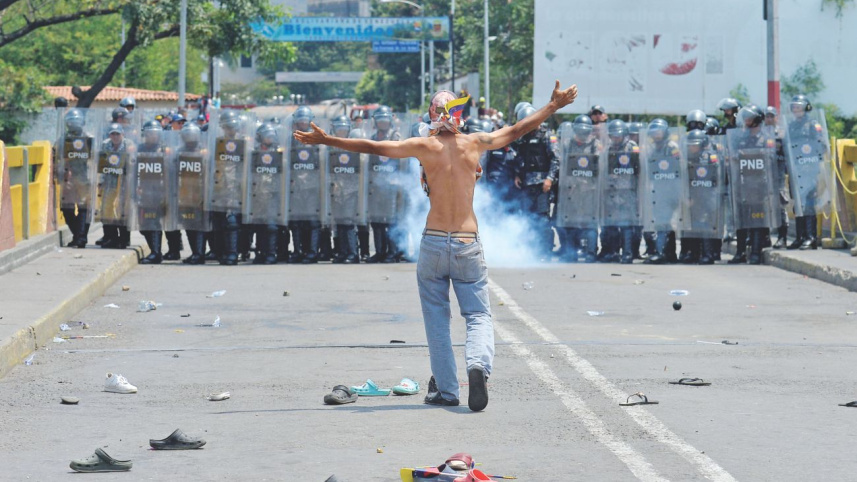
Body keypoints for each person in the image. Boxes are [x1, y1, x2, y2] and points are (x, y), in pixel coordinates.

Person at [294, 80, 579, 412]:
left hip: (433, 242)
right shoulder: (474, 143)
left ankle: (446, 390)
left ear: (432, 115)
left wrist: (328, 139)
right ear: (459, 114)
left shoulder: (422, 146)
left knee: (436, 320)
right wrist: (553, 106)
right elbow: (517, 129)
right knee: (477, 315)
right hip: (466, 242)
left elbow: (373, 146)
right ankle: (477, 367)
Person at [96, 123, 134, 249]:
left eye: (118, 134)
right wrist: (100, 182)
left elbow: (133, 165)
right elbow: (101, 164)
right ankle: (110, 237)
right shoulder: (105, 145)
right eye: (113, 134)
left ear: (122, 134)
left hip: (125, 183)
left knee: (122, 211)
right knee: (107, 211)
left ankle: (124, 239)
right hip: (109, 182)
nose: (115, 136)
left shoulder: (129, 146)